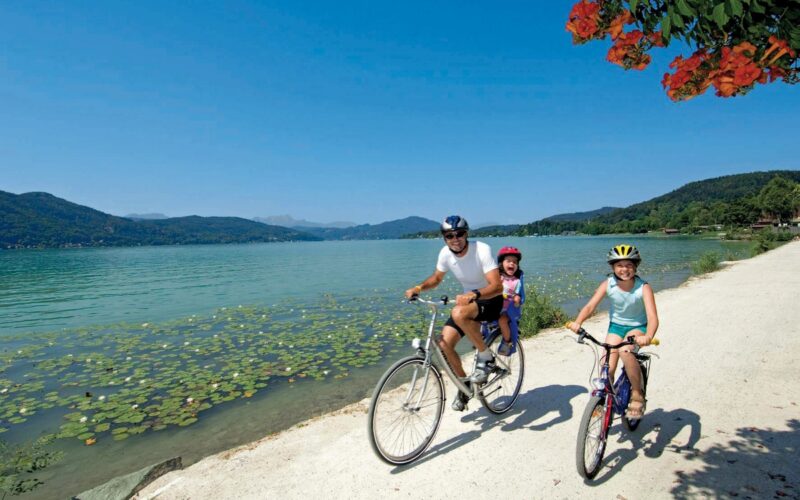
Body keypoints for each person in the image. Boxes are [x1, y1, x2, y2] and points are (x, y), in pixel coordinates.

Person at [404, 215, 503, 411]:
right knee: (443, 343)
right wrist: (418, 288)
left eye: (459, 234)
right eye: (449, 235)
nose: (455, 238)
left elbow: (497, 286)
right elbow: (437, 278)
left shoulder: (481, 250)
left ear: (466, 234)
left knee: (458, 313)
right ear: (444, 238)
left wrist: (474, 294)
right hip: (469, 304)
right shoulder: (445, 254)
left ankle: (487, 358)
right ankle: (464, 382)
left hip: (491, 300)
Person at [568, 244, 659, 418]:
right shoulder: (608, 284)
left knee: (625, 351)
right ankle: (603, 398)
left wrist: (648, 336)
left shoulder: (643, 287)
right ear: (612, 267)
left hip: (637, 327)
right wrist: (578, 322)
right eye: (619, 265)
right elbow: (590, 306)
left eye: (629, 265)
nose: (624, 269)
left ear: (636, 266)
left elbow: (653, 317)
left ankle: (637, 394)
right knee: (606, 364)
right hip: (616, 326)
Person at [495, 246, 525, 356]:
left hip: (508, 310)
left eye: (515, 262)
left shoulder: (516, 281)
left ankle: (507, 341)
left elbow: (518, 294)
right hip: (495, 307)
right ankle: (482, 338)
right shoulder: (498, 277)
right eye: (508, 261)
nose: (512, 264)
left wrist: (516, 298)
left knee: (502, 320)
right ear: (501, 263)